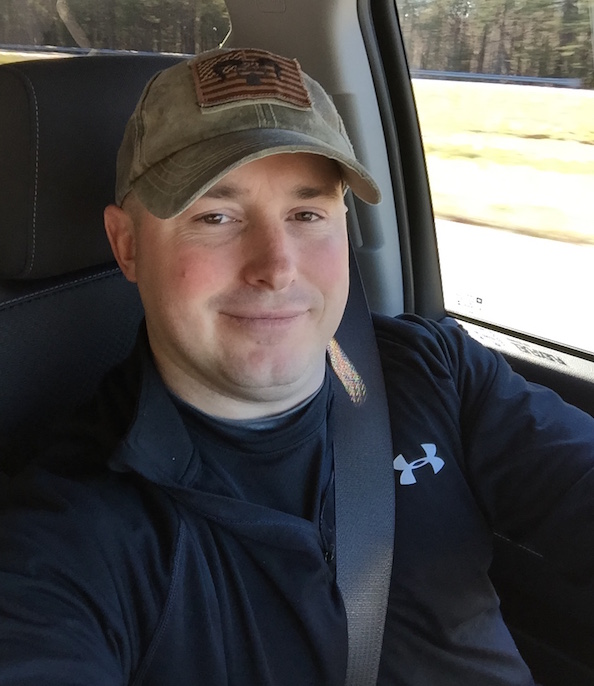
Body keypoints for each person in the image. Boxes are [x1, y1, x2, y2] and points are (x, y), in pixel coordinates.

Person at [1, 46, 593, 686]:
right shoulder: (70, 533)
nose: (277, 267)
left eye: (307, 214)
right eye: (216, 216)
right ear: (127, 245)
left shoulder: (434, 371)